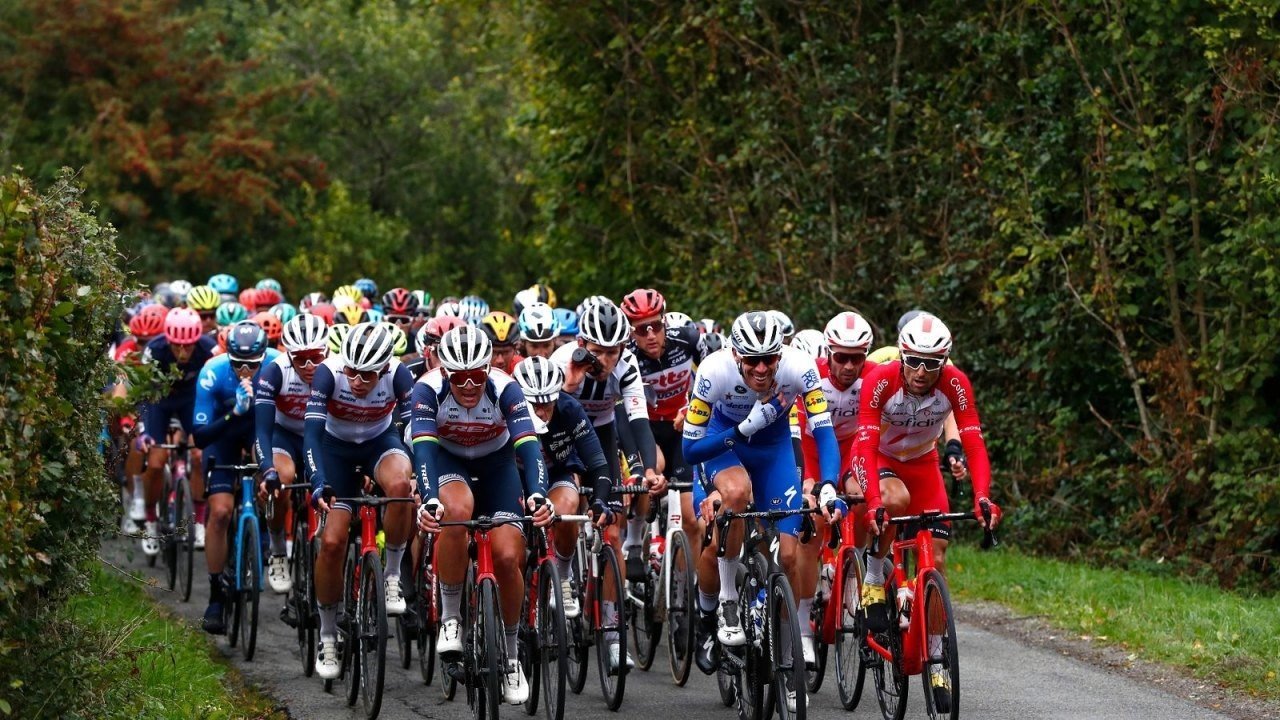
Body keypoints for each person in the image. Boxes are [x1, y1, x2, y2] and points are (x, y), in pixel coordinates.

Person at [682, 311, 845, 709]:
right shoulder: (713, 371)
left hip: (774, 452)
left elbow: (823, 430)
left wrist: (828, 484)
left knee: (788, 557)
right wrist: (742, 429)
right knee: (736, 493)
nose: (761, 369)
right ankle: (726, 603)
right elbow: (690, 450)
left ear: (780, 355)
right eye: (752, 360)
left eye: (769, 359)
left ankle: (788, 663)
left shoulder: (800, 368)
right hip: (726, 445)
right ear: (736, 355)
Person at [852, 312, 1002, 713]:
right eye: (914, 361)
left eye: (932, 363)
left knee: (936, 557)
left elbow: (973, 441)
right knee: (893, 500)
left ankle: (936, 659)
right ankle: (873, 575)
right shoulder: (880, 379)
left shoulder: (955, 383)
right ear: (902, 355)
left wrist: (982, 496)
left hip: (923, 465)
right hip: (880, 460)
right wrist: (873, 502)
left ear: (944, 361)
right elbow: (864, 444)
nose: (921, 372)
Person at [411, 326, 553, 704]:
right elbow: (423, 451)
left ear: (487, 369)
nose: (470, 385)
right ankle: (451, 618)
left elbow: (530, 448)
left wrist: (537, 493)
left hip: (497, 466)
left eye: (477, 375)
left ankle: (511, 655)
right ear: (445, 373)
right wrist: (429, 499)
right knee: (456, 511)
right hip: (449, 461)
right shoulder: (427, 389)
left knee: (507, 556)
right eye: (460, 378)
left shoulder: (506, 388)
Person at [305, 322, 416, 680]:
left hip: (379, 443)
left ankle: (393, 574)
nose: (356, 380)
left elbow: (415, 429)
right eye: (351, 371)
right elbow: (311, 433)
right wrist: (318, 480)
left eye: (367, 375)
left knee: (401, 485)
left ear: (383, 369)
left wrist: (420, 474)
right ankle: (327, 635)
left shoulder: (398, 374)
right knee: (332, 543)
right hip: (334, 451)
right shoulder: (328, 373)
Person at [192, 321, 279, 634]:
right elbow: (200, 437)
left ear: (263, 357)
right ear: (227, 357)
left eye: (252, 365)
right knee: (220, 513)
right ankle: (216, 595)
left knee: (272, 475)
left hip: (259, 433)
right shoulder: (212, 372)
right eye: (238, 364)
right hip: (223, 434)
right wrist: (234, 413)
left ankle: (267, 536)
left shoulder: (277, 365)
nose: (245, 371)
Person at [253, 313, 331, 596]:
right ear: (288, 354)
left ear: (327, 350)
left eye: (315, 357)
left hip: (322, 436)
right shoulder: (275, 372)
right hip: (283, 435)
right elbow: (261, 431)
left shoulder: (337, 370)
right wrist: (268, 470)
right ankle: (277, 551)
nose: (309, 366)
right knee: (282, 479)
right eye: (300, 358)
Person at [135, 308, 217, 557]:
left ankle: (199, 521)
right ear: (168, 341)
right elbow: (143, 393)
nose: (183, 351)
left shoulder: (208, 349)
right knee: (156, 462)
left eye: (189, 346)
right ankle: (150, 519)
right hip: (159, 400)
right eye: (177, 346)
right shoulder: (155, 350)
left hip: (191, 399)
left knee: (199, 455)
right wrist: (143, 430)